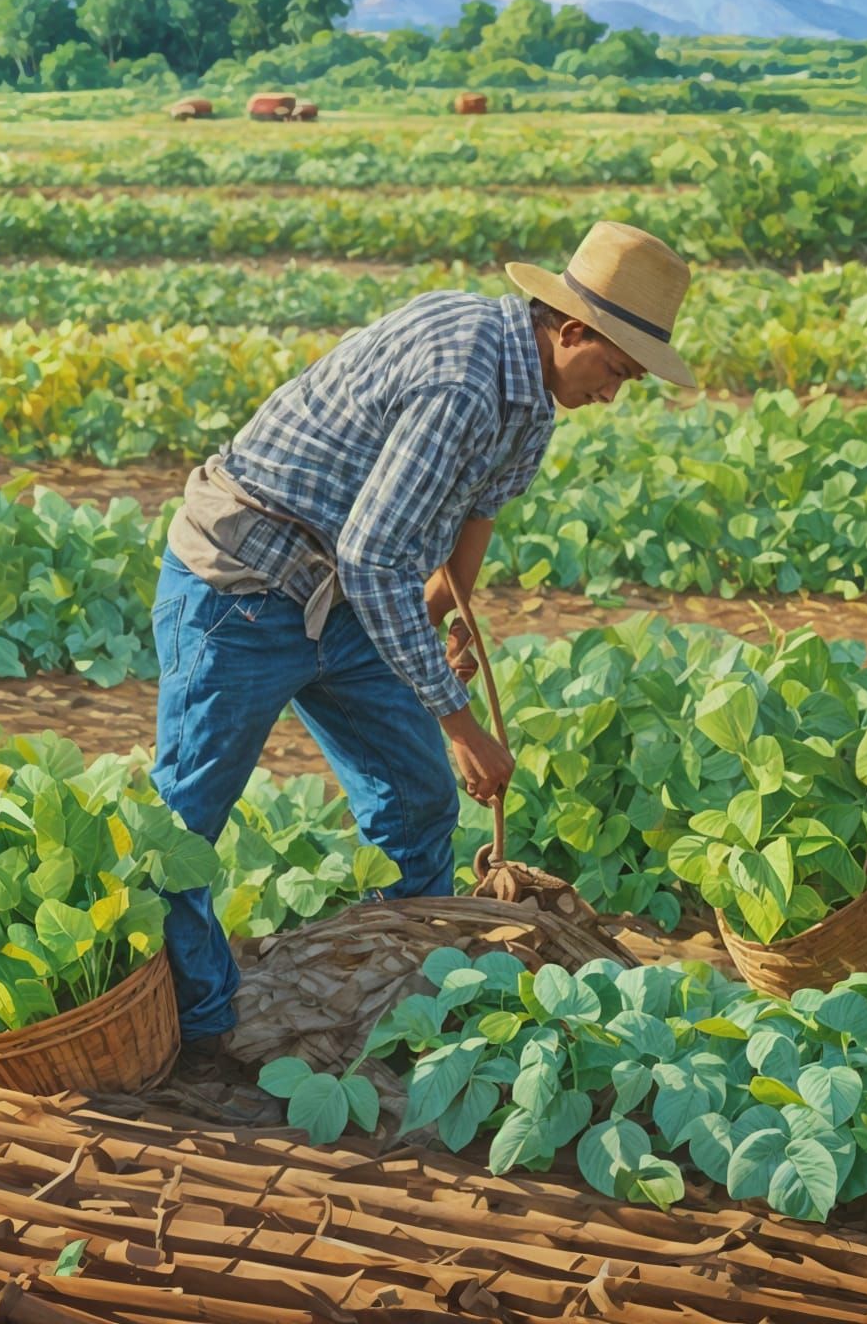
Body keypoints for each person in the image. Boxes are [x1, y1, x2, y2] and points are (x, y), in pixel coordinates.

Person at [152, 220, 695, 1064]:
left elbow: (473, 517)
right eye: (617, 370)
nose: (614, 393)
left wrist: (449, 613)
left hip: (343, 595)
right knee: (184, 826)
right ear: (572, 330)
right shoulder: (465, 380)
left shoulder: (531, 399)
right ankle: (199, 1026)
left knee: (418, 800)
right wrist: (462, 724)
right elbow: (374, 558)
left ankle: (401, 991)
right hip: (243, 584)